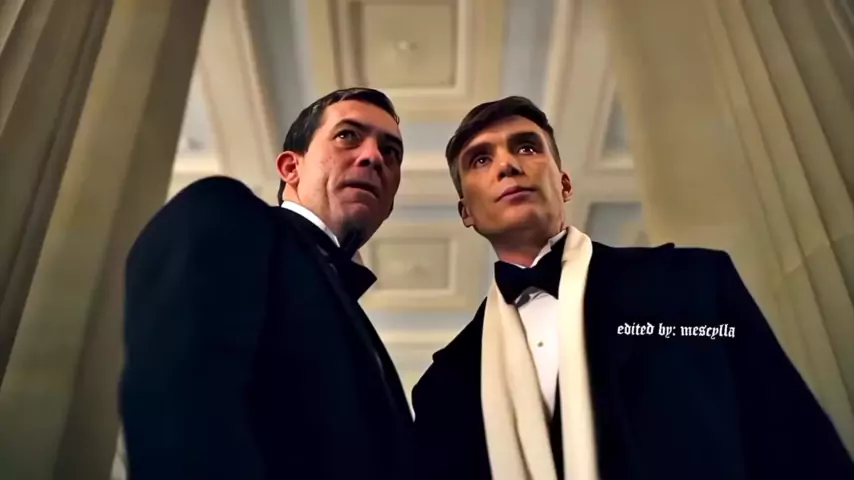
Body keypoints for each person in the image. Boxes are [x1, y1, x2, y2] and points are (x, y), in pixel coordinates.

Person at [411, 96, 854, 480]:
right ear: (466, 212)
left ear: (564, 183)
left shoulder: (692, 282)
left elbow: (790, 433)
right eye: (480, 160)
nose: (507, 165)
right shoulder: (443, 385)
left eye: (526, 147)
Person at [121, 88, 414, 479]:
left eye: (391, 152)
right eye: (348, 135)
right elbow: (177, 406)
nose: (374, 157)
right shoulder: (224, 212)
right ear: (291, 167)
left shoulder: (353, 316)